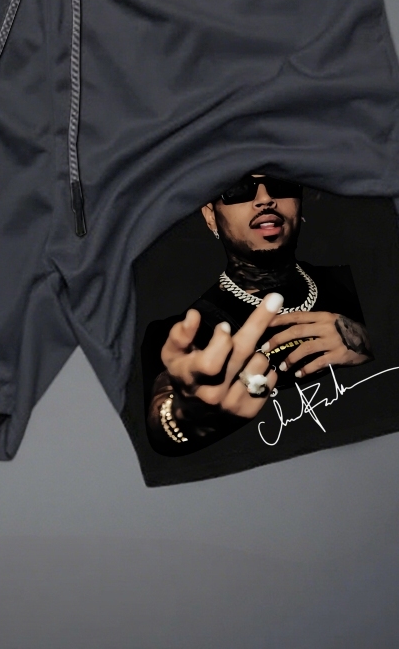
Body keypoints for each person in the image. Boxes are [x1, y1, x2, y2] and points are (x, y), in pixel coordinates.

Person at [143, 174, 373, 455]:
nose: (265, 199)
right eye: (239, 188)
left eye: (281, 182)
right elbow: (160, 416)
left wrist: (369, 340)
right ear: (211, 216)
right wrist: (182, 416)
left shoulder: (361, 282)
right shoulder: (184, 333)